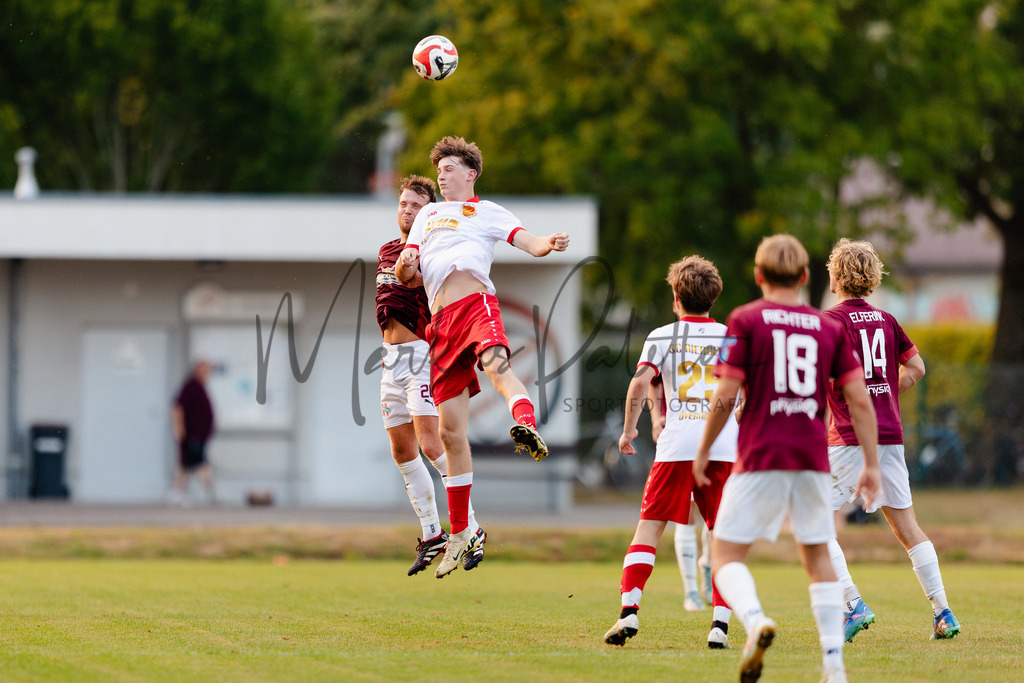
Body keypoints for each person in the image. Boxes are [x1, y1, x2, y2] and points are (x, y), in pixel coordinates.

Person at [694, 234, 881, 683]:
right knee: (818, 558)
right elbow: (859, 400)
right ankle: (834, 666)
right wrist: (872, 464)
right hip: (813, 457)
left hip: (761, 454)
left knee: (725, 554)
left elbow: (725, 394)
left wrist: (703, 451)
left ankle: (756, 621)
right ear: (803, 276)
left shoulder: (745, 319)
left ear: (758, 275)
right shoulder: (827, 327)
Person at [395, 135, 570, 578]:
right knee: (451, 434)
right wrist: (405, 265)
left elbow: (529, 243)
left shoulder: (487, 211)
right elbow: (406, 268)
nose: (441, 175)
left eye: (449, 168)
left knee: (497, 367)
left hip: (476, 305)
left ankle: (525, 425)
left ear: (470, 173)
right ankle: (460, 535)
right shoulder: (428, 214)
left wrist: (548, 241)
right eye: (439, 170)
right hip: (440, 326)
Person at [822, 238, 960, 641]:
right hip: (891, 436)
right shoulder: (886, 320)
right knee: (909, 529)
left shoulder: (831, 322)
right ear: (870, 277)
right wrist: (882, 392)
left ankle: (851, 604)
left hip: (849, 437)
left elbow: (821, 380)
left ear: (837, 275)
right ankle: (943, 611)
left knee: (813, 525)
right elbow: (916, 368)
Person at [603, 255, 738, 649]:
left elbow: (639, 382)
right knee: (722, 537)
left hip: (676, 446)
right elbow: (741, 395)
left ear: (676, 297)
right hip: (722, 447)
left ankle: (629, 612)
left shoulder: (662, 336)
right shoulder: (731, 336)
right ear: (713, 297)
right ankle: (719, 627)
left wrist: (630, 431)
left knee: (649, 528)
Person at [376, 174, 483, 576]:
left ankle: (471, 528)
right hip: (390, 359)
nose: (407, 210)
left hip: (422, 354)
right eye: (403, 203)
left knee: (432, 442)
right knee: (403, 450)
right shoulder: (388, 250)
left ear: (429, 213)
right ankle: (432, 533)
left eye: (415, 206)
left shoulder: (434, 249)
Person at [651, 377, 715, 612]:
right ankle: (691, 591)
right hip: (680, 438)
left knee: (717, 515)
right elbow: (652, 380)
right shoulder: (669, 339)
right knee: (685, 514)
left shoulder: (727, 339)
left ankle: (708, 564)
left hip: (718, 438)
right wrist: (655, 418)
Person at [169, 360, 216, 506]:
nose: (207, 373)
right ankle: (212, 493)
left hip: (199, 434)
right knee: (199, 463)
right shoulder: (190, 386)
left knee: (187, 465)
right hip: (191, 434)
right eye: (204, 369)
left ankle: (176, 493)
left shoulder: (200, 387)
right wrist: (178, 429)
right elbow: (177, 407)